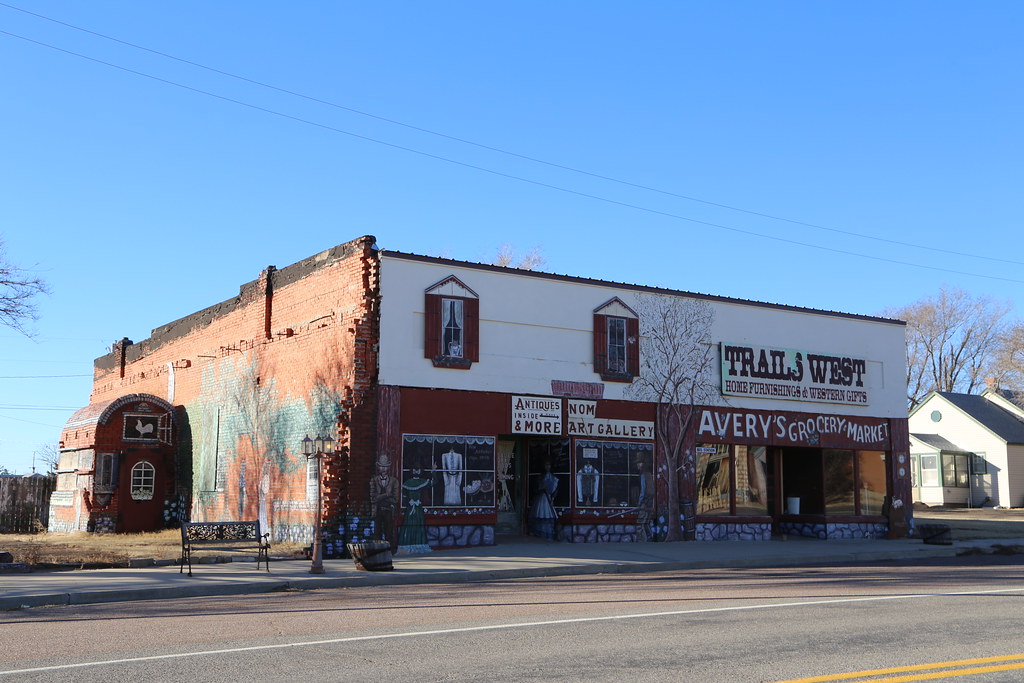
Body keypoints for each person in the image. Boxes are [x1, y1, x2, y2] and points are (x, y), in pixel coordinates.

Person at [397, 460, 434, 553]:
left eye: (418, 470)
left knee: (418, 525)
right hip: (411, 507)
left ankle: (418, 544)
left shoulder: (420, 481)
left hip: (417, 507)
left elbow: (433, 483)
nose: (416, 472)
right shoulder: (408, 482)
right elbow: (404, 495)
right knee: (410, 525)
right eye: (414, 470)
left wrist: (433, 471)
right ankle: (407, 545)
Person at [368, 453, 397, 546]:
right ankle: (377, 550)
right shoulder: (374, 480)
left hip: (388, 510)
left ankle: (390, 550)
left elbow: (395, 499)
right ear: (378, 467)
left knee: (389, 532)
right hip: (377, 510)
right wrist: (386, 495)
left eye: (385, 466)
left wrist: (381, 497)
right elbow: (373, 498)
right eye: (381, 466)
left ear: (388, 467)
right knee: (377, 532)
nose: (383, 469)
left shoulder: (393, 481)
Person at [528, 462, 559, 539]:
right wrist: (541, 489)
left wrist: (552, 498)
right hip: (541, 497)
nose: (547, 467)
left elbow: (555, 489)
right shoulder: (541, 477)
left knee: (548, 515)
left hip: (548, 497)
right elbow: (536, 488)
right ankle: (539, 531)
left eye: (549, 465)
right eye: (546, 465)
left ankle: (549, 532)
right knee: (540, 513)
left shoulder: (553, 478)